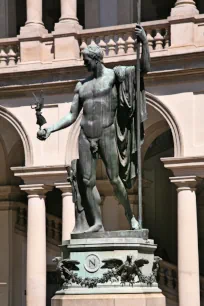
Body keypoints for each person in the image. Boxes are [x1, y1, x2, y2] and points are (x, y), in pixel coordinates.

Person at [37, 25, 150, 233]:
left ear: (95, 58)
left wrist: (143, 42)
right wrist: (50, 128)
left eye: (86, 59)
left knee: (115, 180)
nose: (83, 62)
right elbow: (72, 115)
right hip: (85, 135)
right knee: (87, 182)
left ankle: (130, 216)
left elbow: (142, 70)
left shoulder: (115, 76)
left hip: (106, 133)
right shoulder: (82, 86)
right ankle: (97, 222)